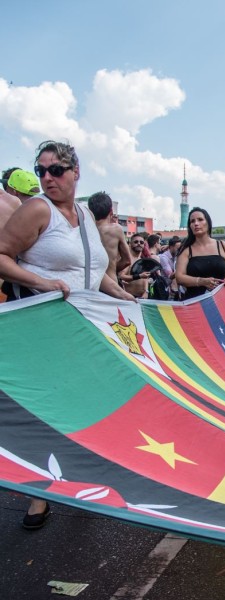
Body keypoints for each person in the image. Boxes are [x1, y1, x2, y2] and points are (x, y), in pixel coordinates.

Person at [0, 140, 134, 529]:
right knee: (51, 412)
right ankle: (40, 493)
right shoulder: (36, 209)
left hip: (86, 330)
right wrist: (39, 281)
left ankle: (84, 481)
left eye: (55, 170)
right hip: (48, 331)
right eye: (41, 170)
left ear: (76, 173)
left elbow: (94, 271)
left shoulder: (83, 215)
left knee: (86, 407)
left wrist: (122, 295)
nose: (47, 178)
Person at [175, 207, 225, 300]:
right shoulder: (186, 250)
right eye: (192, 221)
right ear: (190, 226)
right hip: (195, 303)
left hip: (222, 301)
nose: (196, 223)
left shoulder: (222, 246)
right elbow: (179, 277)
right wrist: (201, 281)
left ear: (208, 222)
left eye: (200, 220)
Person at [87, 191, 133, 284]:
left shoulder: (85, 229)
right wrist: (112, 268)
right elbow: (127, 261)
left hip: (90, 282)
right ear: (111, 211)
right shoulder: (116, 229)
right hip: (111, 282)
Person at [119, 233, 153, 299]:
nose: (139, 243)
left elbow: (145, 278)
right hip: (129, 297)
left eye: (141, 242)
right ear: (130, 244)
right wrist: (139, 276)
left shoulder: (141, 260)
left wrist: (146, 291)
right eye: (136, 242)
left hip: (142, 298)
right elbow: (121, 276)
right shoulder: (127, 259)